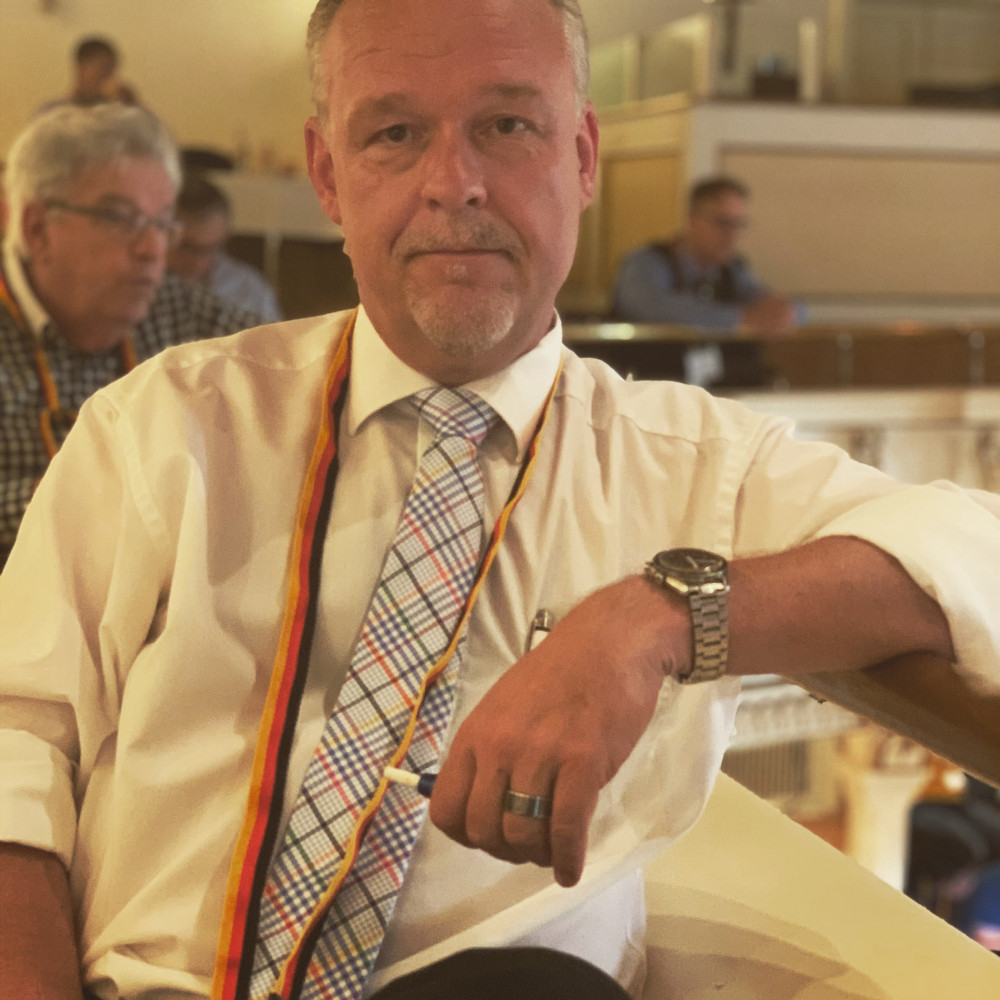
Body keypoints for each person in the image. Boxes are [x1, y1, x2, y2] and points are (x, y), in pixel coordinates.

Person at [1, 2, 998, 999]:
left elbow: (972, 549)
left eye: (508, 125)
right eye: (394, 132)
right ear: (327, 174)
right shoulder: (165, 425)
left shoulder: (695, 466)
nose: (454, 183)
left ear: (584, 156)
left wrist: (655, 620)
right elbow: (16, 741)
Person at [0, 103, 259, 567]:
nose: (152, 251)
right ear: (37, 229)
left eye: (162, 223)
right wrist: (82, 499)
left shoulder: (197, 327)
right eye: (121, 219)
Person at [611, 176, 805, 386]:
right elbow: (650, 306)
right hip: (651, 388)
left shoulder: (733, 269)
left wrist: (786, 312)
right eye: (723, 223)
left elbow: (769, 301)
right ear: (692, 220)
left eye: (739, 224)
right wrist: (739, 317)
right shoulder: (646, 262)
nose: (732, 235)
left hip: (718, 390)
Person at [168, 174, 283, 324]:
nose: (200, 263)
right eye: (188, 248)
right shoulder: (144, 288)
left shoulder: (249, 289)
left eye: (213, 248)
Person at [36, 36, 140, 115]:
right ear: (81, 69)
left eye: (112, 71)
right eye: (103, 70)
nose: (109, 78)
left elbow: (147, 134)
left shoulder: (116, 115)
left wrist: (133, 106)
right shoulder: (52, 112)